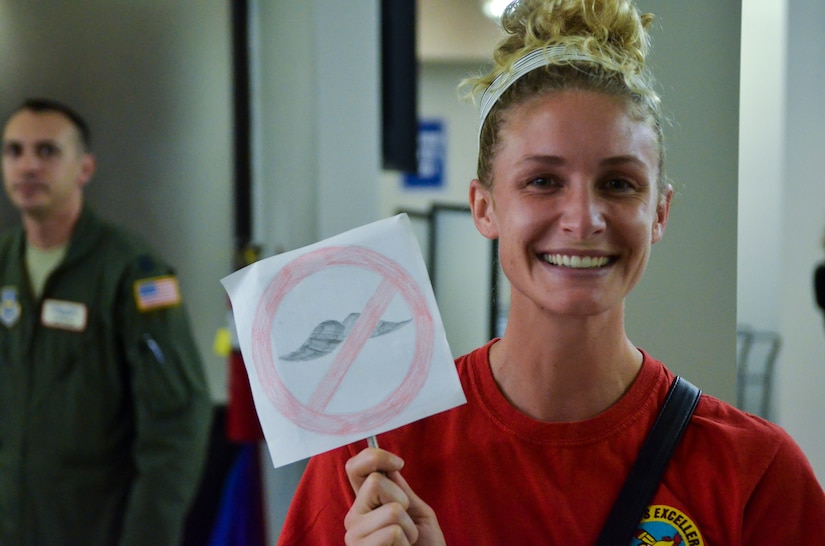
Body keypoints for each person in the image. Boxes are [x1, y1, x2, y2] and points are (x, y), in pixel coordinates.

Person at [277, 0, 825, 544]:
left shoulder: (754, 473)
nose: (583, 220)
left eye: (619, 184)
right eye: (542, 181)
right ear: (485, 206)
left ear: (659, 211)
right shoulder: (378, 460)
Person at [0, 98, 213, 545]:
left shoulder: (132, 272)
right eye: (14, 151)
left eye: (47, 151)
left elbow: (177, 421)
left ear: (84, 168)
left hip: (95, 529)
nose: (28, 165)